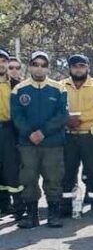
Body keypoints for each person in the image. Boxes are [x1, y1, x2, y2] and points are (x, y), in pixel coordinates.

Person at [11, 51, 68, 228]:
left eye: (43, 64)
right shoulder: (19, 89)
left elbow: (62, 115)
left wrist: (43, 132)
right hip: (27, 144)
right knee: (28, 178)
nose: (39, 67)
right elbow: (17, 115)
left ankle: (53, 213)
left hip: (52, 143)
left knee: (54, 177)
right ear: (30, 66)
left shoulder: (59, 88)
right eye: (36, 64)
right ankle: (32, 215)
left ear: (48, 67)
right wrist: (30, 133)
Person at [61, 54, 93, 219]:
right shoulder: (61, 85)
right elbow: (56, 108)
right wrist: (66, 119)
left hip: (91, 136)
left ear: (87, 67)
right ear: (70, 68)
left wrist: (79, 117)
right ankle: (66, 205)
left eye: (82, 66)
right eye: (75, 66)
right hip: (68, 136)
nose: (78, 69)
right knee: (67, 172)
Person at [0, 49, 22, 219]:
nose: (1, 64)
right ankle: (3, 205)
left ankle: (19, 206)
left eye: (3, 61)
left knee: (12, 168)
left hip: (10, 130)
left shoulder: (17, 85)